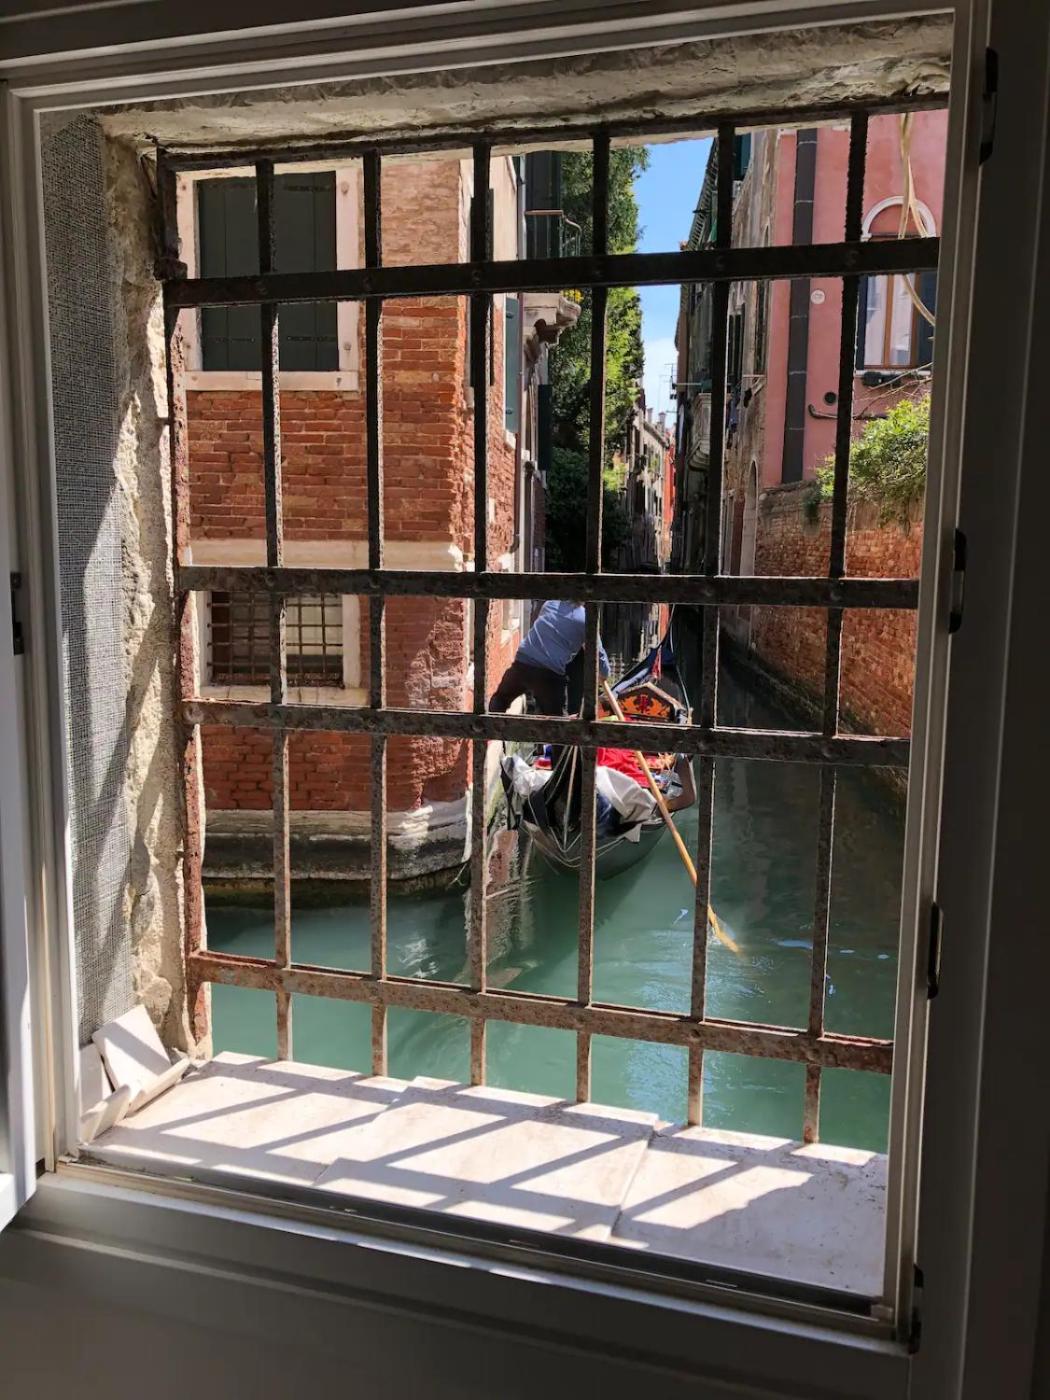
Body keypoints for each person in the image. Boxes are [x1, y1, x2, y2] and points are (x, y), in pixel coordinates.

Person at [488, 600, 610, 715]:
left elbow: (547, 626)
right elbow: (598, 652)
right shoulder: (586, 620)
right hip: (549, 674)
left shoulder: (550, 604)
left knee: (499, 700)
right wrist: (604, 673)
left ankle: (488, 728)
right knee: (557, 721)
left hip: (522, 663)